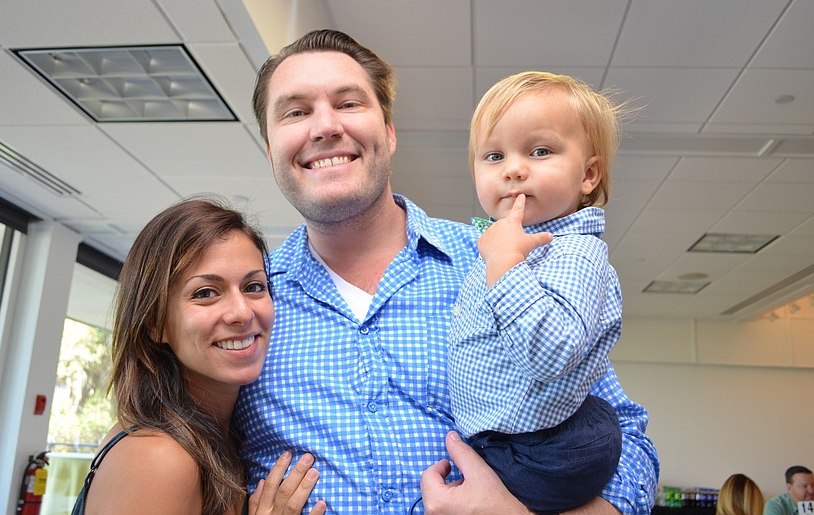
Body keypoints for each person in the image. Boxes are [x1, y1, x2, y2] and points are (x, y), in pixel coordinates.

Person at [236, 29, 659, 515]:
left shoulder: (506, 260)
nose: (325, 126)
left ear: (389, 132)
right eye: (295, 111)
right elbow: (184, 444)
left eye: (349, 103)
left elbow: (627, 439)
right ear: (270, 148)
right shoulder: (245, 309)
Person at [71, 198, 326, 515]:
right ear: (156, 323)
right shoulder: (159, 458)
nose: (241, 312)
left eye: (254, 286)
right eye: (205, 293)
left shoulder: (218, 437)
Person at [448, 71, 625, 515]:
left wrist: (505, 263)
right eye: (493, 155)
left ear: (588, 175)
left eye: (540, 151)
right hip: (514, 440)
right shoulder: (499, 245)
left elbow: (550, 353)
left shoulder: (574, 252)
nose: (513, 168)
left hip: (542, 451)